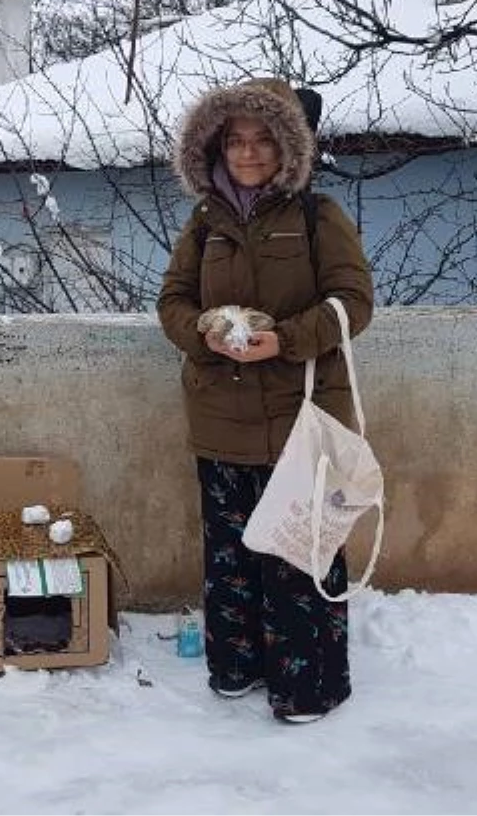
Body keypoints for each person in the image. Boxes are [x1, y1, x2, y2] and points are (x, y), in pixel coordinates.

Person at [157, 78, 374, 724]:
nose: (248, 154)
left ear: (288, 147)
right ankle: (239, 667)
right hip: (220, 420)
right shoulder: (204, 224)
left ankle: (308, 688)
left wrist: (284, 340)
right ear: (216, 148)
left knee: (301, 555)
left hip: (300, 421)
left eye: (262, 140)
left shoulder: (318, 216)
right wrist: (206, 334)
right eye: (235, 141)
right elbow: (172, 303)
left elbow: (352, 305)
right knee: (231, 556)